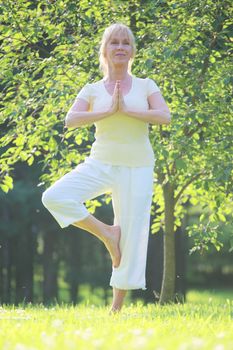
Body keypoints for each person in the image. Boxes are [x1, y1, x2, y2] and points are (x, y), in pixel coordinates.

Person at [42, 23, 171, 313]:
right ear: (105, 49)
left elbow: (164, 115)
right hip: (100, 162)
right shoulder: (91, 89)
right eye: (115, 42)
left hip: (137, 167)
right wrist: (108, 110)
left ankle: (115, 311)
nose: (121, 47)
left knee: (134, 235)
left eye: (126, 43)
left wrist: (127, 110)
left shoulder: (145, 85)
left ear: (132, 51)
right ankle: (107, 234)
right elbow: (71, 119)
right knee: (54, 196)